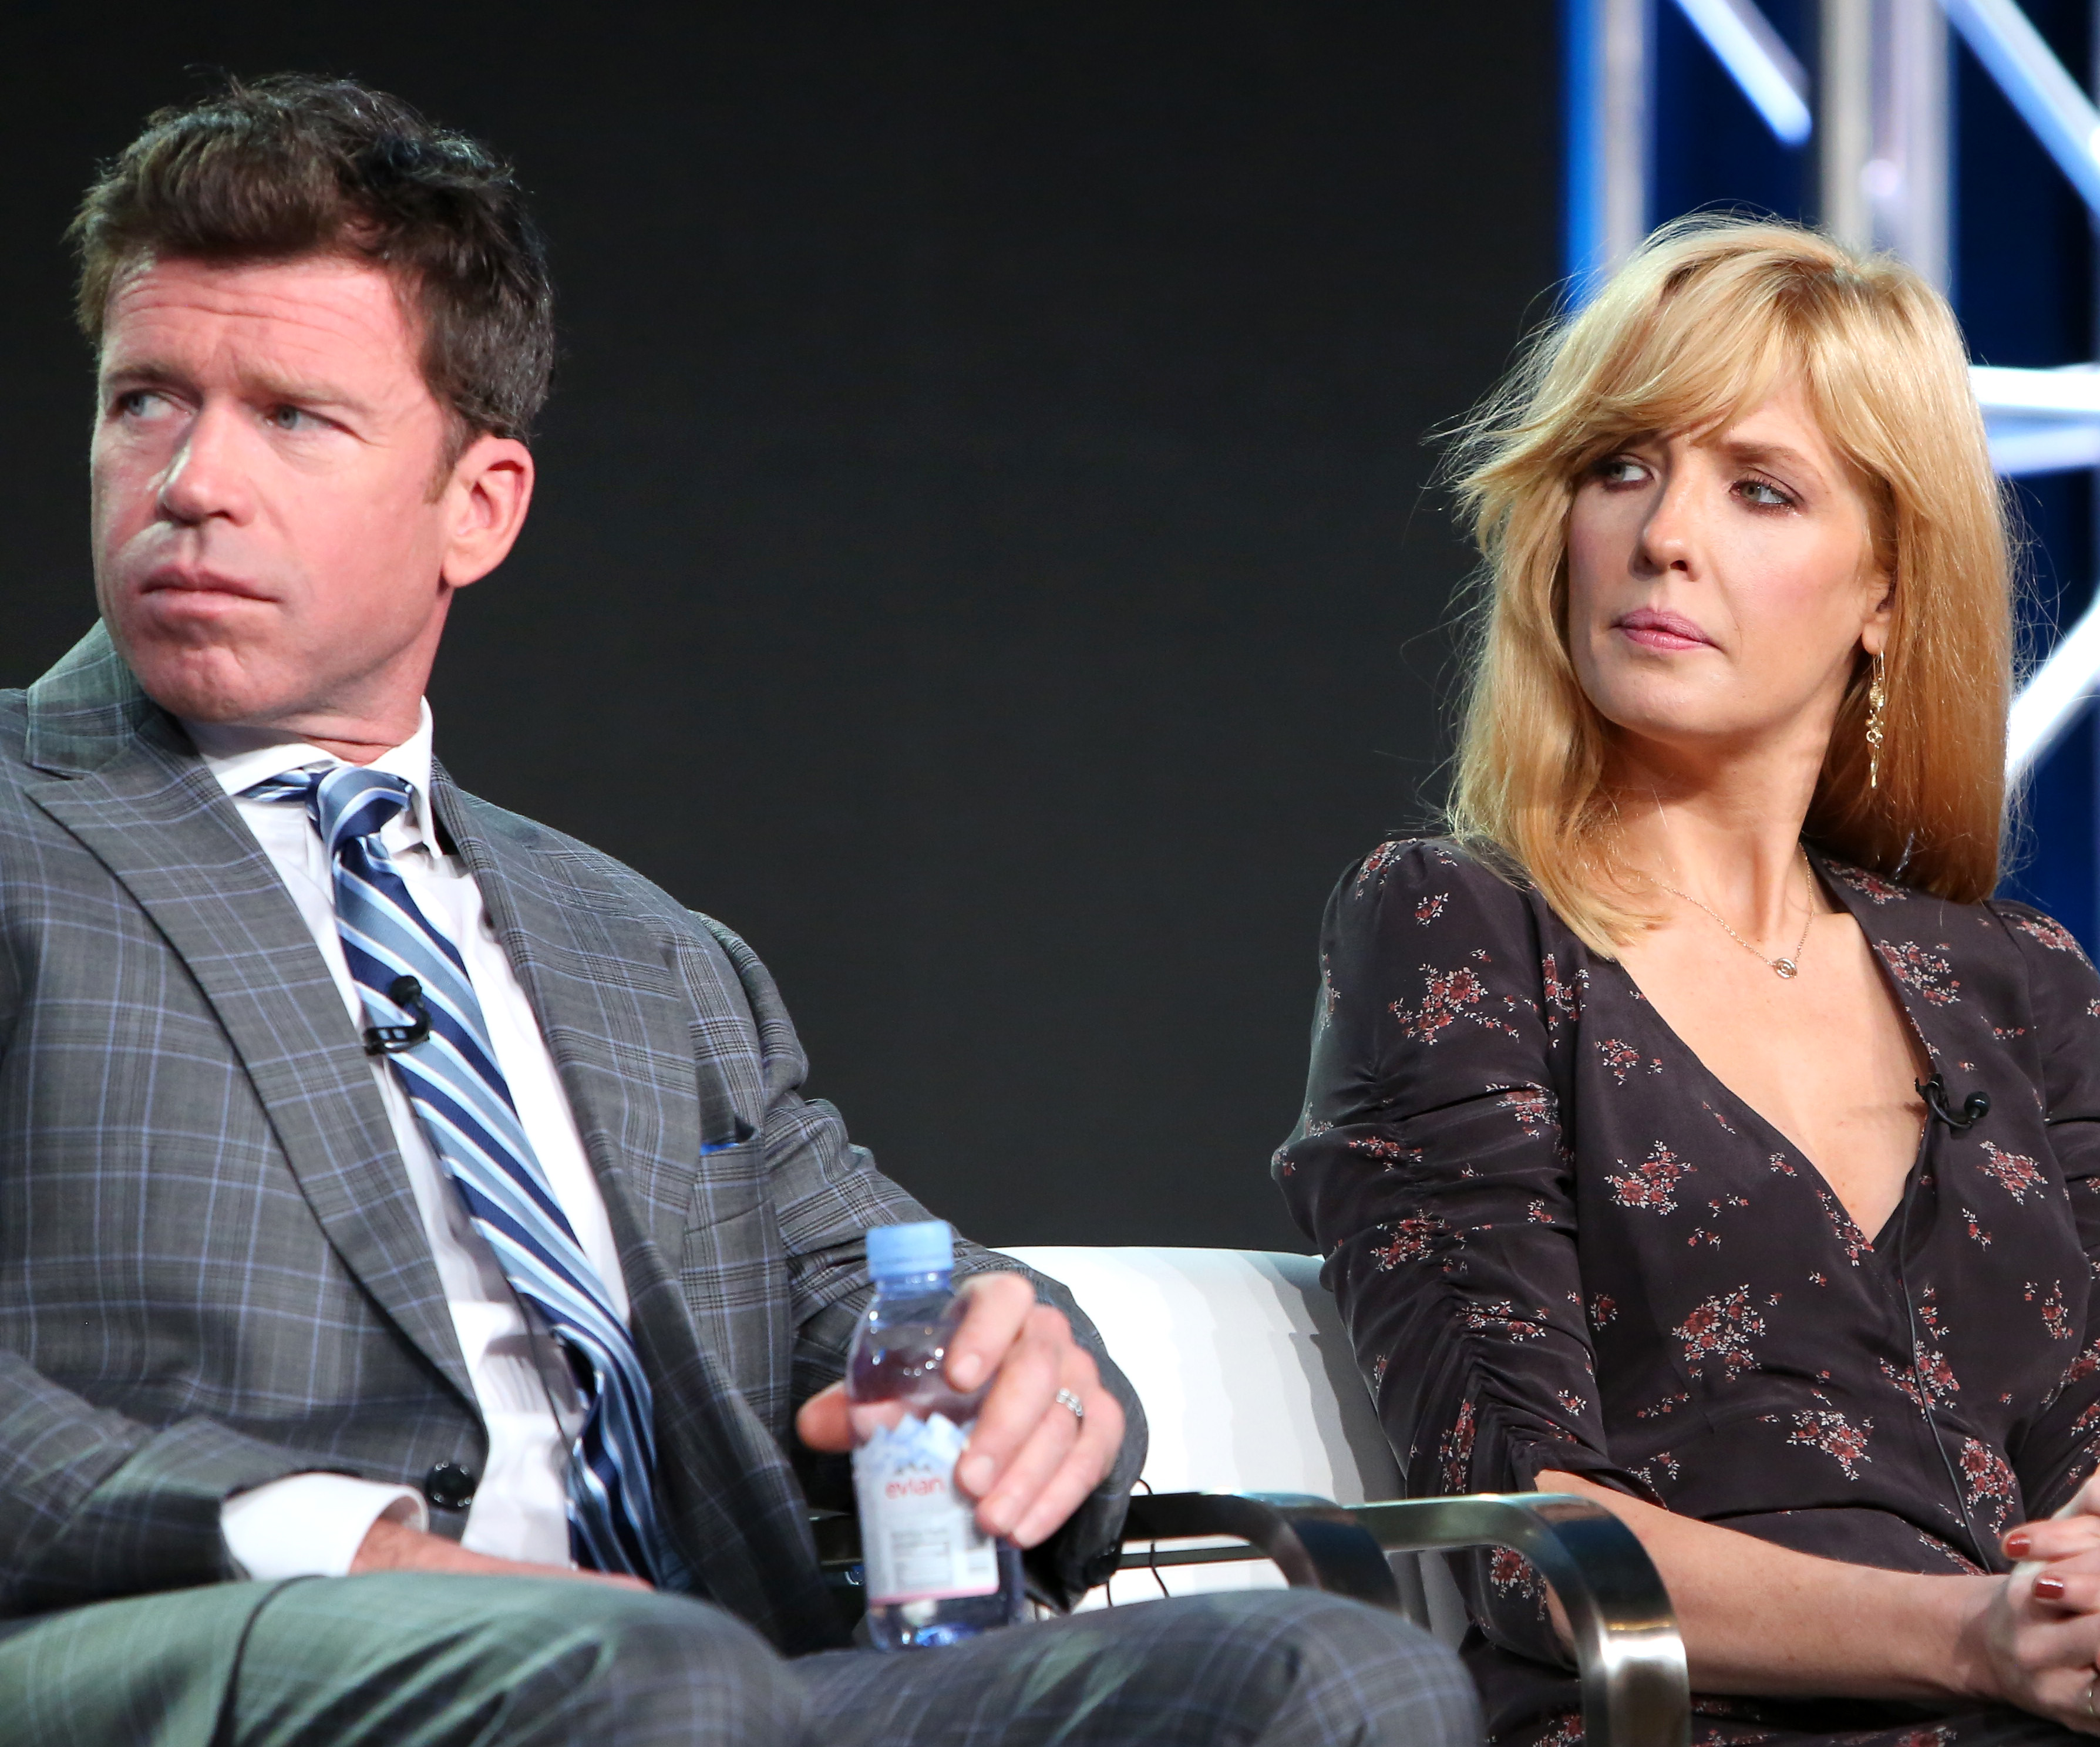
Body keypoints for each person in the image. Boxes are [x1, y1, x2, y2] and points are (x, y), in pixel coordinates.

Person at [0, 76, 1479, 1747]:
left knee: (1336, 1677)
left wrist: (1032, 1370)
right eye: (145, 402)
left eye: (291, 416)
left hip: (721, 1672)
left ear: (476, 506)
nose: (192, 479)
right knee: (664, 1681)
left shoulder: (646, 956)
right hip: (178, 1638)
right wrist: (361, 1547)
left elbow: (888, 1286)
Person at [1277, 216, 2100, 1745]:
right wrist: (1970, 1637)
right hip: (1720, 1718)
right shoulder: (1456, 928)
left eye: (1759, 489)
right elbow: (1525, 1534)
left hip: (2062, 1711)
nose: (1664, 537)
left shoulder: (2020, 986)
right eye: (1621, 464)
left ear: (1887, 596)